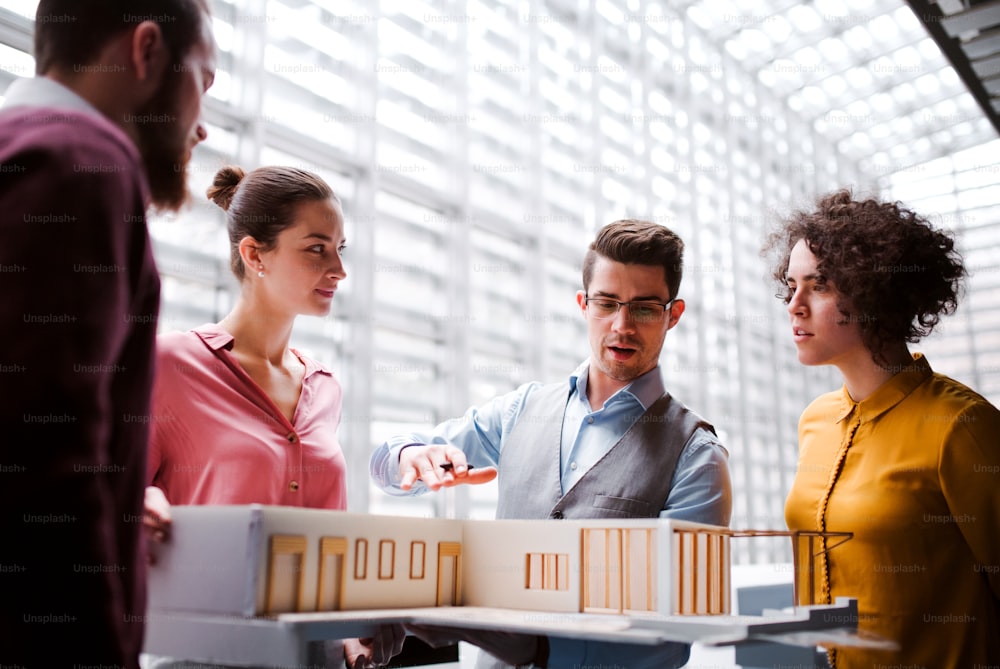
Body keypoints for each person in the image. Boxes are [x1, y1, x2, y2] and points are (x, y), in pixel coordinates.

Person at [370, 219, 733, 668]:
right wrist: (409, 455)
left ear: (672, 315)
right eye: (606, 303)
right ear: (583, 304)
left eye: (643, 308)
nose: (622, 325)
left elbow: (678, 625)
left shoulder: (697, 457)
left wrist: (539, 648)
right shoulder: (521, 410)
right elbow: (386, 461)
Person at [0, 1, 216, 666]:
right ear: (146, 50)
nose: (201, 127)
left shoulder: (23, 149)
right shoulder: (78, 162)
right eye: (200, 83)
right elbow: (42, 461)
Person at [143, 165, 404, 669]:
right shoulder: (170, 365)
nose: (339, 269)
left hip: (317, 656)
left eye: (339, 249)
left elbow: (331, 534)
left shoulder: (324, 385)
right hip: (205, 656)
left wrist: (354, 630)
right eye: (316, 248)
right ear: (254, 254)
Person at [766, 189, 1000, 668]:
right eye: (791, 285)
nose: (795, 304)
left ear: (877, 291)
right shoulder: (815, 421)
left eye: (820, 284)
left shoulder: (961, 425)